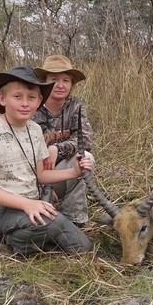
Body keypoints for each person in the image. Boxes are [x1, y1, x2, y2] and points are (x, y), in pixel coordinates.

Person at [0, 65, 93, 256]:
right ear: (2, 98)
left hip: (33, 203)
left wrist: (74, 172)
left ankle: (32, 241)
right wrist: (26, 204)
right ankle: (7, 240)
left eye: (31, 98)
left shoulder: (34, 130)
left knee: (83, 247)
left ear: (39, 101)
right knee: (54, 223)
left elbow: (41, 175)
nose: (25, 103)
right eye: (17, 97)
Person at [32, 55, 94, 226]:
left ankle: (73, 219)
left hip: (61, 173)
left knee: (85, 158)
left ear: (71, 84)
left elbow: (85, 139)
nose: (60, 85)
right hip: (33, 178)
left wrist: (57, 149)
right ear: (44, 82)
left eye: (65, 80)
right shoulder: (31, 106)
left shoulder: (76, 106)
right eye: (54, 79)